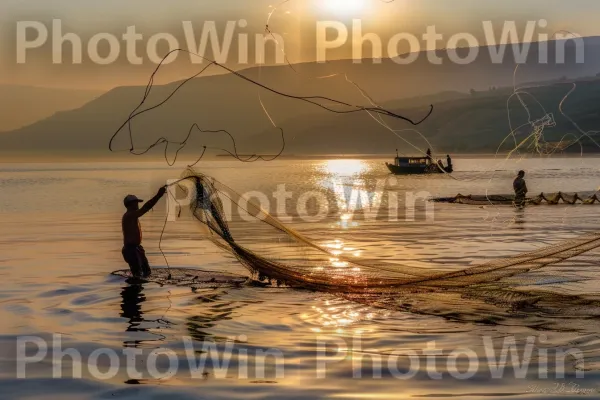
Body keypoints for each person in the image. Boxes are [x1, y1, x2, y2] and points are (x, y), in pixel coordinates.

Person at [122, 186, 167, 278]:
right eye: (136, 203)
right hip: (131, 250)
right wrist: (158, 196)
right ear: (130, 204)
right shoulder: (129, 215)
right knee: (137, 275)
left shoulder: (133, 216)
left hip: (137, 248)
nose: (138, 205)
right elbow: (145, 208)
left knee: (147, 272)